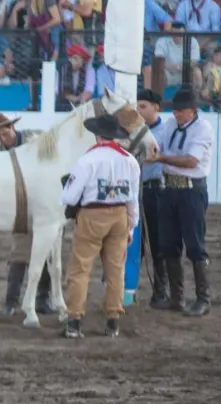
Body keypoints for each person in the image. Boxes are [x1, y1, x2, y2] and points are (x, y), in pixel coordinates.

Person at [60, 113, 141, 338]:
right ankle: (113, 321)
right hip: (120, 215)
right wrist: (131, 226)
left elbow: (69, 197)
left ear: (97, 135)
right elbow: (133, 198)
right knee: (116, 270)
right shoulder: (129, 160)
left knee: (80, 269)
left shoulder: (87, 160)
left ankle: (74, 321)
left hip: (92, 215)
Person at [148, 86, 213, 317]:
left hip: (190, 190)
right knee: (169, 244)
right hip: (170, 189)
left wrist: (161, 158)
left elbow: (191, 161)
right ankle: (177, 297)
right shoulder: (170, 125)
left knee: (195, 245)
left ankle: (203, 298)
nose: (176, 113)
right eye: (175, 110)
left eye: (180, 110)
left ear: (192, 110)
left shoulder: (203, 129)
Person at [0, 113, 54, 316]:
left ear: (12, 128)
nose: (2, 139)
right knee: (21, 252)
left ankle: (38, 300)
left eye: (4, 134)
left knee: (45, 252)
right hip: (21, 207)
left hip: (42, 203)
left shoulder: (35, 139)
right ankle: (13, 301)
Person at [135, 88, 172, 308]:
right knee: (133, 242)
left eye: (143, 106)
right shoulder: (136, 130)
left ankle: (160, 291)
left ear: (156, 108)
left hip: (155, 189)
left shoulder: (165, 131)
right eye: (137, 106)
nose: (139, 110)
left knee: (158, 242)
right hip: (137, 190)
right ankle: (128, 288)